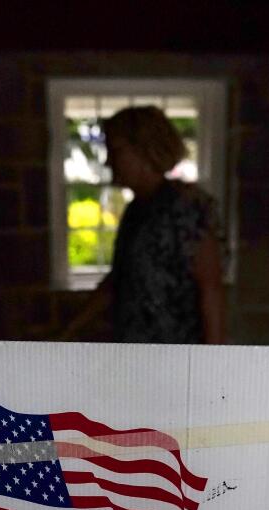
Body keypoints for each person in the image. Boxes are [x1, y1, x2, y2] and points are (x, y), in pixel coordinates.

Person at [62, 106, 226, 344]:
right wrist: (70, 328)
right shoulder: (138, 210)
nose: (109, 161)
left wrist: (214, 364)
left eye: (116, 151)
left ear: (145, 150)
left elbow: (211, 290)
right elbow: (120, 280)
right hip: (136, 355)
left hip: (177, 356)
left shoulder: (186, 209)